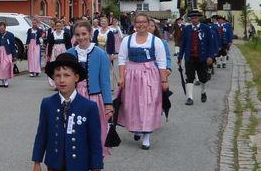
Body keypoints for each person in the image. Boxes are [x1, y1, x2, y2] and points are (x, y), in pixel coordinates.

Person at [116, 12, 170, 149]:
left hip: (150, 75)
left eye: (144, 22)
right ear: (134, 24)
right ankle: (137, 128)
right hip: (132, 74)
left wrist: (164, 81)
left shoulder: (155, 41)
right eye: (138, 22)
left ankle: (146, 136)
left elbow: (162, 62)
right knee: (133, 103)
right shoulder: (127, 40)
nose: (141, 24)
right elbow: (122, 60)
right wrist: (121, 77)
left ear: (148, 24)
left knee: (148, 103)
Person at [68, 20, 114, 157]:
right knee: (75, 129)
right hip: (73, 98)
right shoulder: (69, 53)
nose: (81, 37)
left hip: (94, 98)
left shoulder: (100, 54)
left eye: (84, 34)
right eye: (77, 34)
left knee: (95, 130)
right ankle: (78, 159)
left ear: (90, 33)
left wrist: (108, 104)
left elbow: (105, 82)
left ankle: (95, 161)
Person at [177, 10, 218, 105]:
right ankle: (190, 98)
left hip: (202, 57)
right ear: (190, 19)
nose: (194, 20)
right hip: (190, 57)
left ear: (199, 18)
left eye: (195, 18)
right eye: (192, 18)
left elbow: (210, 44)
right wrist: (180, 57)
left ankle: (203, 92)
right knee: (189, 77)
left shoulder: (206, 28)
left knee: (203, 78)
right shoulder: (186, 29)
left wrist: (210, 56)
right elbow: (183, 44)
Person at [45, 19, 72, 87]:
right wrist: (49, 54)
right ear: (55, 26)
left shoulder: (65, 34)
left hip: (63, 51)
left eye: (59, 26)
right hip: (55, 51)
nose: (58, 27)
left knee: (64, 66)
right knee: (55, 67)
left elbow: (69, 44)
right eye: (57, 26)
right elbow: (50, 45)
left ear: (62, 26)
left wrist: (70, 53)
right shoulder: (52, 34)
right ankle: (55, 84)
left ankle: (65, 82)